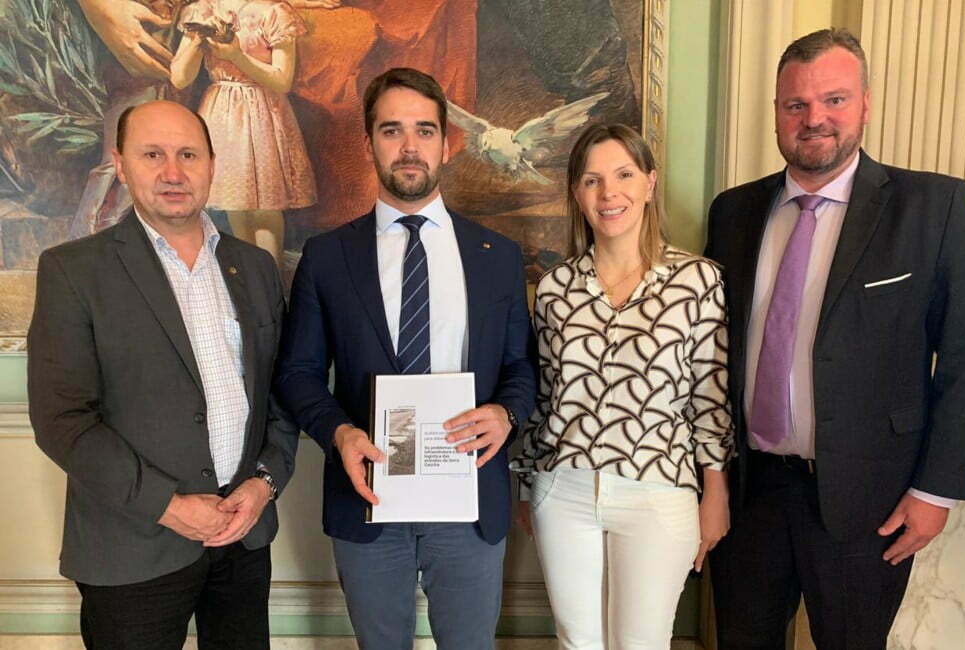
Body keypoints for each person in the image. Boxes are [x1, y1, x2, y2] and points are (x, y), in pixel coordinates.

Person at [705, 28, 965, 650]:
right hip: (751, 491)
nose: (814, 119)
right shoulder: (733, 212)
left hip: (871, 499)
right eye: (796, 104)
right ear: (777, 113)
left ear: (865, 103)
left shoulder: (932, 206)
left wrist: (935, 490)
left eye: (833, 100)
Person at [273, 67, 536, 650]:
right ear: (368, 142)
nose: (409, 146)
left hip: (469, 495)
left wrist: (506, 414)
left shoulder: (497, 255)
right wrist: (339, 432)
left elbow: (522, 366)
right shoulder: (327, 256)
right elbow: (297, 374)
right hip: (368, 496)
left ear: (448, 142)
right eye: (392, 130)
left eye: (424, 130)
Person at [27, 100, 298, 650]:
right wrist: (170, 508)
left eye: (188, 155)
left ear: (212, 165)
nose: (173, 172)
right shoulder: (73, 270)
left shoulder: (255, 267)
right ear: (120, 164)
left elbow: (282, 394)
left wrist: (263, 485)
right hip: (133, 546)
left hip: (243, 537)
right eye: (153, 154)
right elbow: (63, 420)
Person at [509, 123, 734, 648]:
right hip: (563, 489)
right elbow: (545, 397)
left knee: (642, 642)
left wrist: (716, 493)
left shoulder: (697, 281)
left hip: (658, 488)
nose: (609, 193)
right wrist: (526, 487)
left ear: (650, 183)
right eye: (592, 180)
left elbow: (710, 399)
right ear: (577, 194)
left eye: (624, 175)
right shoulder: (555, 288)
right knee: (576, 640)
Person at [170, 0, 318, 267]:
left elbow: (282, 80)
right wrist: (198, 39)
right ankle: (249, 282)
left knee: (264, 208)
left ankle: (270, 281)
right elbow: (179, 78)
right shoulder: (201, 11)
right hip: (221, 115)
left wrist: (236, 56)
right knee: (236, 205)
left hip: (262, 113)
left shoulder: (274, 12)